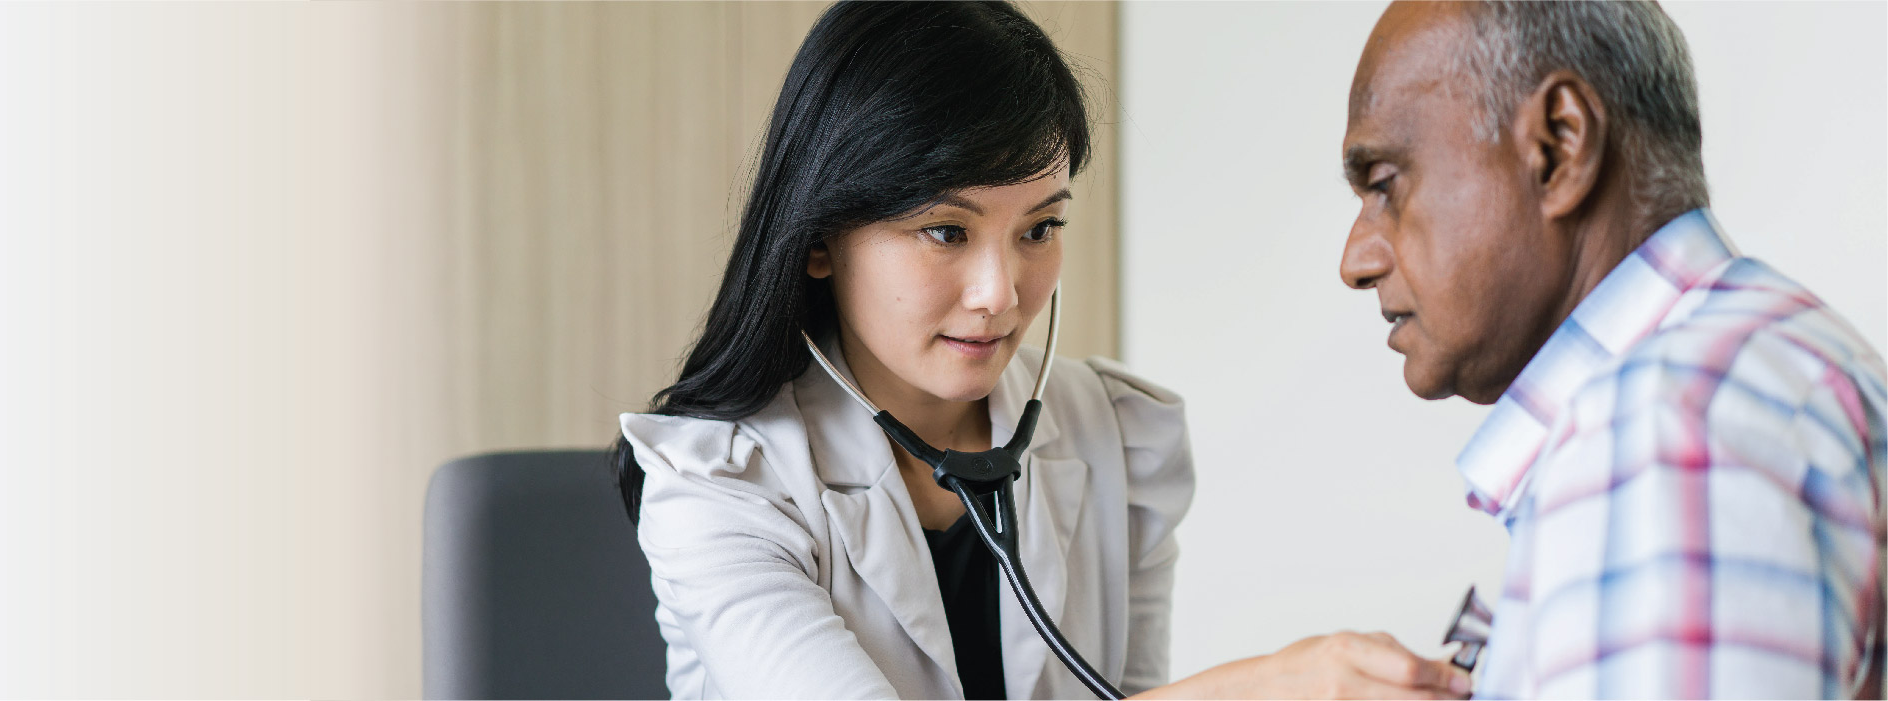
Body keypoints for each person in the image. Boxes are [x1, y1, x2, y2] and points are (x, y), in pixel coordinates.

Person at [617, 2, 1471, 699]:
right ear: (819, 240)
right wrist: (1268, 685)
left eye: (1040, 228)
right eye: (945, 230)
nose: (1001, 291)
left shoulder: (1117, 437)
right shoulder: (718, 488)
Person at [1337, 1, 1886, 697]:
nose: (1355, 259)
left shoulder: (1666, 420)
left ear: (1559, 145)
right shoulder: (1752, 369)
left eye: (1385, 185)